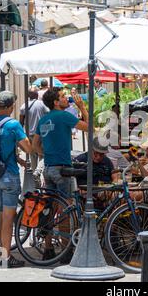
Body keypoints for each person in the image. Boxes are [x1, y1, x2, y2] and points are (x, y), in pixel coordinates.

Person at [32, 87, 88, 262]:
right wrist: (82, 107)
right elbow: (89, 128)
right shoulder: (64, 116)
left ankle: (48, 248)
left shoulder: (44, 120)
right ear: (56, 102)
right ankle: (65, 250)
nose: (66, 99)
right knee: (66, 208)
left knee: (49, 207)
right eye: (63, 97)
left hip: (48, 168)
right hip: (62, 169)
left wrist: (47, 153)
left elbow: (34, 146)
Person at [0, 91, 32, 268]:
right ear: (12, 106)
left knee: (0, 215)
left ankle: (1, 253)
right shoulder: (13, 124)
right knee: (8, 218)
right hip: (9, 176)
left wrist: (16, 156)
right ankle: (5, 258)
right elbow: (28, 147)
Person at [19, 87, 49, 172]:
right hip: (41, 133)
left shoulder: (23, 106)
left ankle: (35, 172)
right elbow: (48, 116)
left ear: (28, 95)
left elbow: (20, 123)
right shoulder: (42, 104)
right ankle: (40, 172)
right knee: (42, 154)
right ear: (37, 95)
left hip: (29, 134)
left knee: (32, 154)